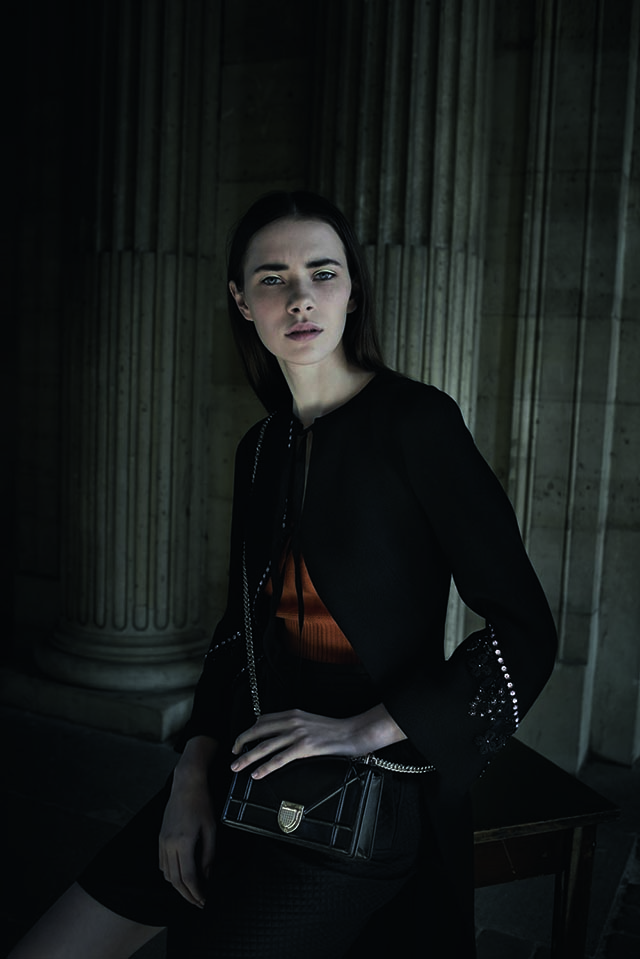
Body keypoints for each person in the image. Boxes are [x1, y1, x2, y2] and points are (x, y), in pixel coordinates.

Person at [9, 192, 557, 959]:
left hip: (372, 782)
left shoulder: (417, 422)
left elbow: (524, 628)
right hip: (245, 754)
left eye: (322, 273)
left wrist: (362, 728)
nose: (300, 297)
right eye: (273, 278)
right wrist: (192, 771)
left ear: (352, 291)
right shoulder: (261, 448)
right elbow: (237, 630)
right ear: (242, 300)